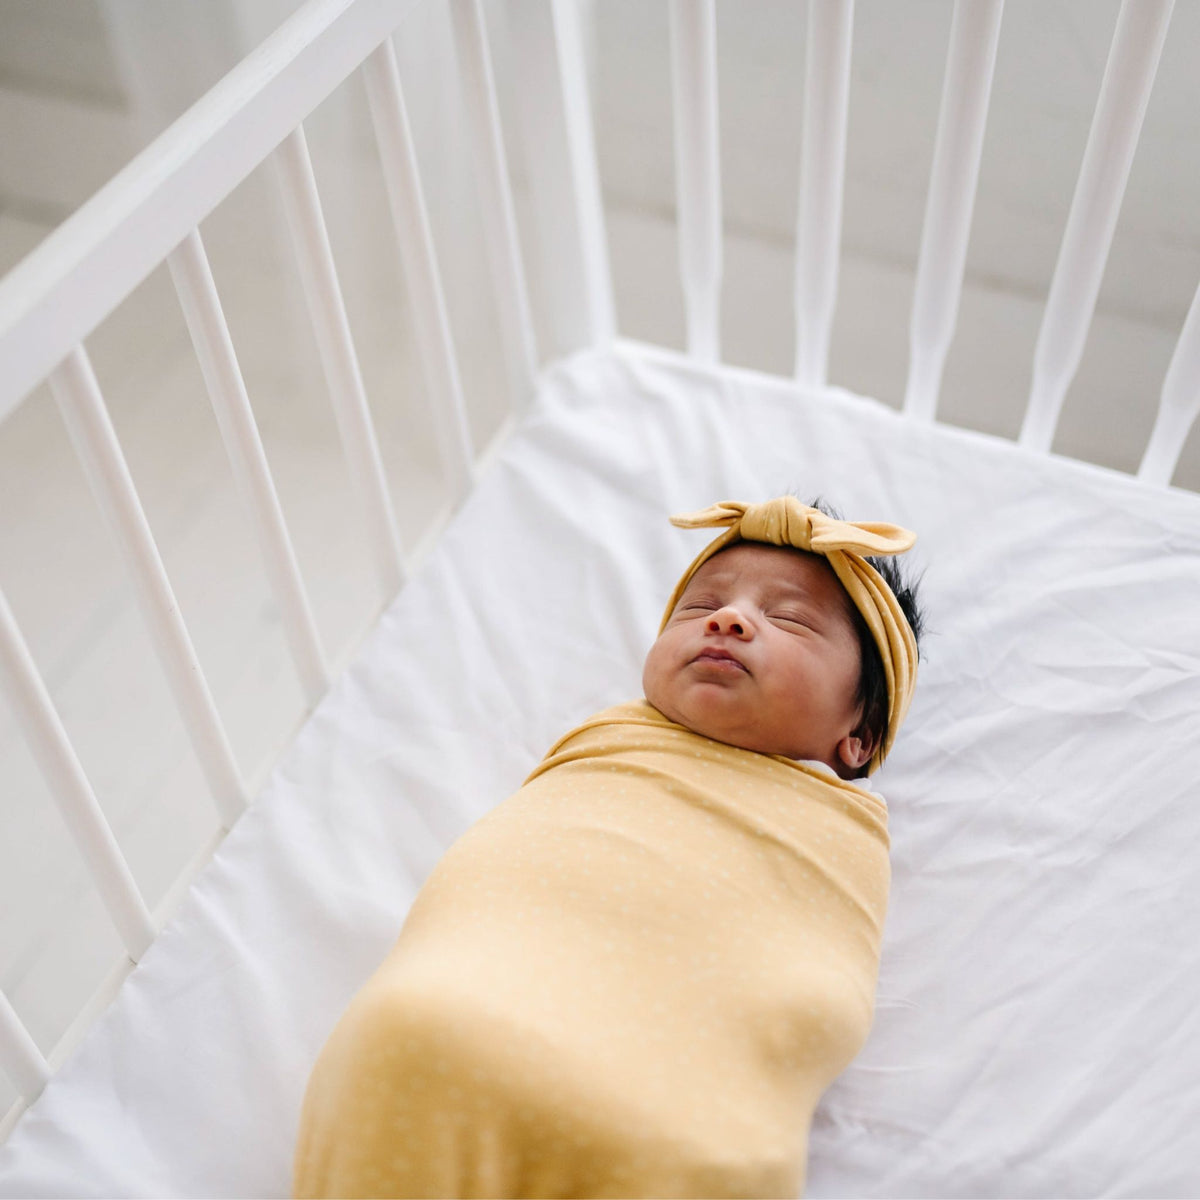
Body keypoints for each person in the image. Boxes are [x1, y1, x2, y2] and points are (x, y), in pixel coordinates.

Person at [294, 495, 924, 1200]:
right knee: (405, 1039)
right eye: (700, 607)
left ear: (860, 737)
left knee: (710, 1160)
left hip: (691, 1116)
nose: (729, 618)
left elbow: (814, 969)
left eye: (789, 619)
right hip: (449, 1023)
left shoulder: (841, 828)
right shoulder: (613, 740)